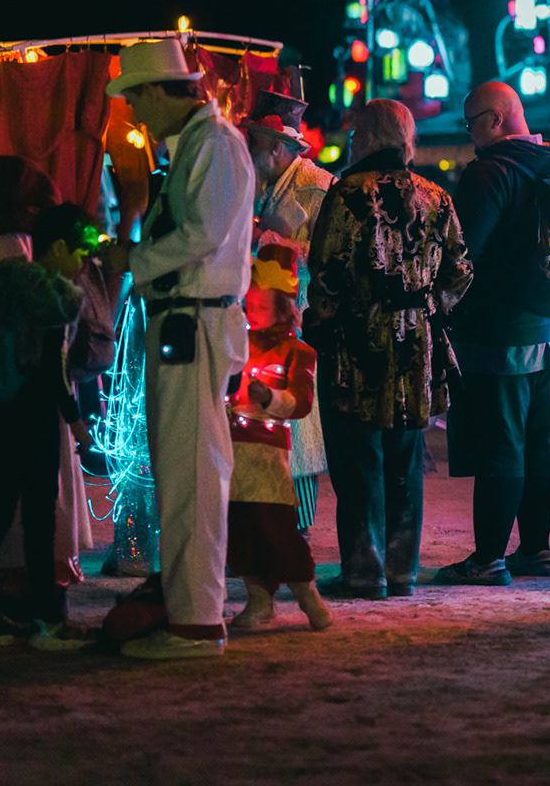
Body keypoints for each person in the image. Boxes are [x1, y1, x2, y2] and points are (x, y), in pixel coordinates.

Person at [99, 39, 253, 660]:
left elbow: (202, 233)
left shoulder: (213, 144)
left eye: (135, 98)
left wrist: (133, 259)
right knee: (185, 473)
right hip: (185, 325)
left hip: (193, 325)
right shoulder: (201, 144)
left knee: (190, 475)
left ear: (159, 90)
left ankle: (195, 624)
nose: (134, 111)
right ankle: (191, 613)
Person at [306, 99, 472, 599]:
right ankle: (403, 570)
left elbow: (327, 273)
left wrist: (322, 323)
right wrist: (428, 308)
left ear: (367, 136)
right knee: (405, 456)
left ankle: (365, 570)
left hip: (358, 340)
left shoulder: (347, 194)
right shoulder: (436, 196)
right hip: (417, 341)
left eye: (356, 132)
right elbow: (461, 271)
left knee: (357, 455)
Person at [435, 82, 550, 587]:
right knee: (541, 446)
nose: (468, 133)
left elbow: (463, 253)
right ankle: (536, 550)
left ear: (495, 119)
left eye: (470, 122)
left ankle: (487, 559)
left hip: (500, 336)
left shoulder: (489, 172)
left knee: (500, 446)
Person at [0, 203, 99, 650]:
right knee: (40, 521)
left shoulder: (4, 285)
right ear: (57, 248)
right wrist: (77, 425)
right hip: (36, 420)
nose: (83, 264)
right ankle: (49, 621)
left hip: (2, 413)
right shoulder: (50, 296)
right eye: (79, 253)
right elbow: (53, 374)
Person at [240, 91, 333, 532]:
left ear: (277, 147)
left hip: (299, 319)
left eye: (254, 142)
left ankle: (298, 526)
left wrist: (274, 243)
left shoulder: (319, 188)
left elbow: (332, 256)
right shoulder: (255, 183)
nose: (248, 150)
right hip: (258, 321)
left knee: (298, 426)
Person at [226, 245, 330, 632]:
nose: (252, 312)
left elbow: (301, 403)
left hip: (268, 460)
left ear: (283, 307)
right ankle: (258, 599)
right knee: (240, 530)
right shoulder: (236, 344)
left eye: (262, 306)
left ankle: (307, 595)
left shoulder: (297, 352)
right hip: (232, 453)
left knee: (278, 529)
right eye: (249, 304)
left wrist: (269, 398)